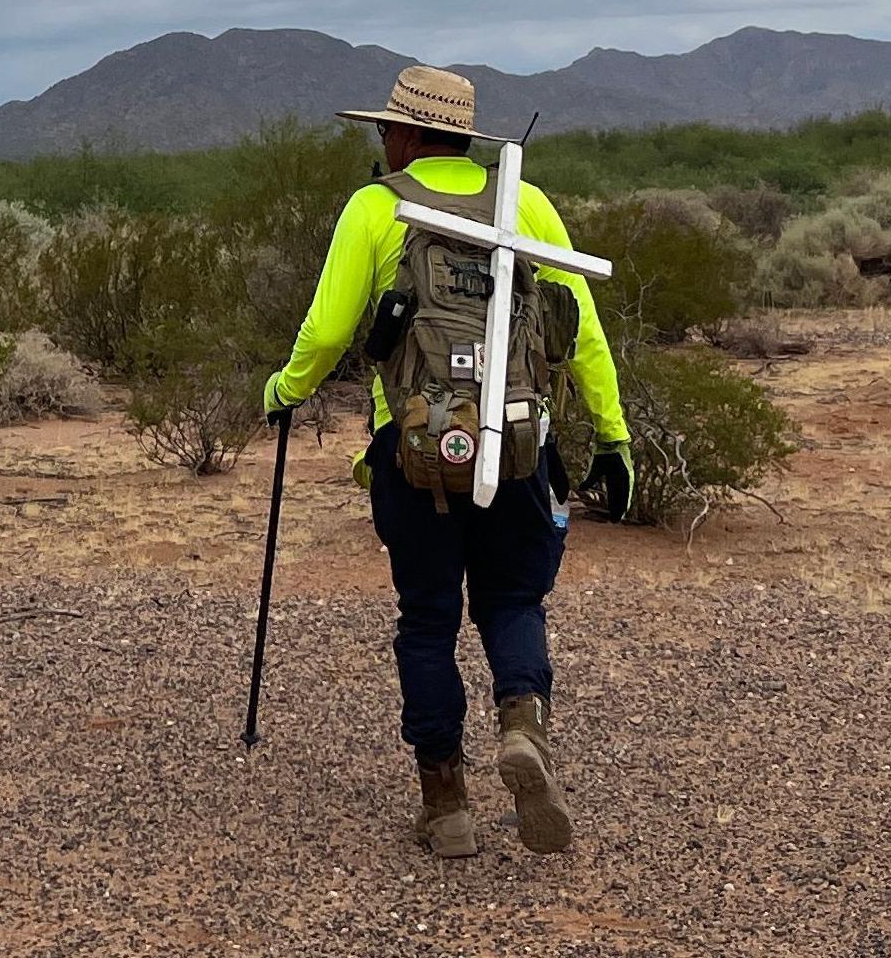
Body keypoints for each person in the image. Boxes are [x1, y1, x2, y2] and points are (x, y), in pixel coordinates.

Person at [259, 64, 630, 859]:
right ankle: (524, 723)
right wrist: (614, 432)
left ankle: (447, 801)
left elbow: (327, 334)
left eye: (383, 131)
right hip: (517, 442)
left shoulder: (377, 205)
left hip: (416, 449)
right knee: (513, 600)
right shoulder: (521, 200)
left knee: (427, 617)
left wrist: (284, 390)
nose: (379, 143)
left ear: (404, 134)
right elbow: (581, 324)